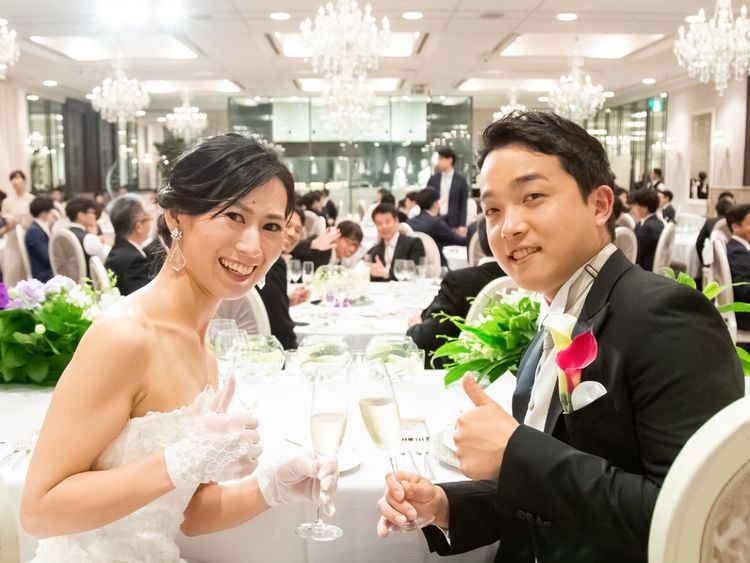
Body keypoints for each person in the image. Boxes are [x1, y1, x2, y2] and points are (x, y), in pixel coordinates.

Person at [376, 111, 743, 563]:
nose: (507, 227)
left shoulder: (665, 316)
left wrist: (515, 452)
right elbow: (547, 496)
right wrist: (446, 506)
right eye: (492, 210)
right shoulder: (557, 318)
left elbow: (694, 516)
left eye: (533, 197)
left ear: (600, 204)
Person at [21, 134, 337, 560]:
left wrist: (273, 486)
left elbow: (187, 514)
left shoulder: (205, 356)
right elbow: (39, 511)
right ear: (176, 218)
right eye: (234, 216)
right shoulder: (126, 336)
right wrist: (181, 459)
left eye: (271, 226)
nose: (252, 246)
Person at [407, 219, 503, 367]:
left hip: (461, 370)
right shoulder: (530, 280)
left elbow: (425, 339)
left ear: (480, 238)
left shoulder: (460, 281)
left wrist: (415, 327)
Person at [258, 207, 311, 349]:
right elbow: (282, 330)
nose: (292, 234)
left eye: (298, 230)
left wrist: (286, 301)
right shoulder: (272, 262)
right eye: (287, 225)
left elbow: (267, 309)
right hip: (269, 351)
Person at [104, 194, 157, 295]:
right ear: (139, 226)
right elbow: (147, 298)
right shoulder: (133, 262)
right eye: (148, 220)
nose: (150, 224)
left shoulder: (119, 251)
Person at [407, 188, 467, 265]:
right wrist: (471, 233)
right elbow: (459, 241)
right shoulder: (436, 223)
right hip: (437, 266)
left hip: (415, 265)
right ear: (435, 204)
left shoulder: (409, 222)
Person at [367, 203, 424, 281]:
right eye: (379, 223)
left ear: (396, 221)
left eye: (387, 222)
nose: (384, 227)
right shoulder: (373, 251)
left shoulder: (414, 244)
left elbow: (416, 274)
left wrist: (385, 273)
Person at [426, 147, 469, 233]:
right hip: (435, 220)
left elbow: (463, 204)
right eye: (438, 159)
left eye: (441, 159)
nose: (438, 162)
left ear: (450, 160)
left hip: (454, 222)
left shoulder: (461, 180)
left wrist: (462, 225)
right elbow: (427, 200)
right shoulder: (433, 179)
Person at [291, 220, 363, 270]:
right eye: (348, 242)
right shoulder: (319, 246)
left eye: (356, 245)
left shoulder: (340, 261)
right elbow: (292, 248)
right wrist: (313, 244)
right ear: (337, 236)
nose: (352, 249)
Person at [65, 197, 112, 271]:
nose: (95, 216)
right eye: (93, 212)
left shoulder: (63, 234)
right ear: (80, 216)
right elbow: (109, 258)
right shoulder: (88, 238)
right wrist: (107, 244)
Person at [725, 204, 750, 330]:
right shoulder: (737, 252)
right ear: (735, 227)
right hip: (745, 315)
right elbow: (744, 289)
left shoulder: (737, 246)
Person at [630, 188, 664, 272]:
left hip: (643, 270)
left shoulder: (647, 229)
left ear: (644, 208)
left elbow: (633, 251)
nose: (631, 208)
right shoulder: (659, 223)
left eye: (634, 204)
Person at [25, 196, 56, 282]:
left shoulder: (39, 228)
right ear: (43, 213)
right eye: (51, 211)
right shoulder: (34, 231)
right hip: (45, 276)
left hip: (47, 272)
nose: (52, 215)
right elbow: (47, 257)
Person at [696, 196, 733, 267]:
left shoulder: (710, 222)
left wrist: (703, 261)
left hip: (714, 262)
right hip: (733, 261)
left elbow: (699, 242)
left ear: (717, 211)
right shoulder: (735, 223)